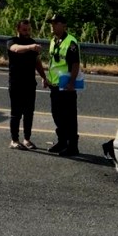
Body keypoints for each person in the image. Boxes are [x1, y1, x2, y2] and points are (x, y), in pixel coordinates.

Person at [6, 18, 49, 151]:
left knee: (29, 112)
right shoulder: (12, 41)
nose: (27, 32)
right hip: (16, 83)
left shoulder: (32, 43)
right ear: (18, 29)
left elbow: (37, 62)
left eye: (29, 29)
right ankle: (14, 140)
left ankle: (27, 139)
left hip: (30, 83)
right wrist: (30, 47)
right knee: (16, 113)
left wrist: (44, 77)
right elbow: (16, 49)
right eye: (24, 29)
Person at [46, 13, 81, 156]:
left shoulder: (70, 42)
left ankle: (72, 145)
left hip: (66, 84)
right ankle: (62, 141)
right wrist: (47, 78)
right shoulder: (53, 40)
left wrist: (71, 82)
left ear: (63, 25)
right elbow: (53, 63)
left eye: (55, 23)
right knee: (57, 114)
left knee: (69, 116)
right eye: (52, 23)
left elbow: (75, 64)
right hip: (55, 84)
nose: (52, 26)